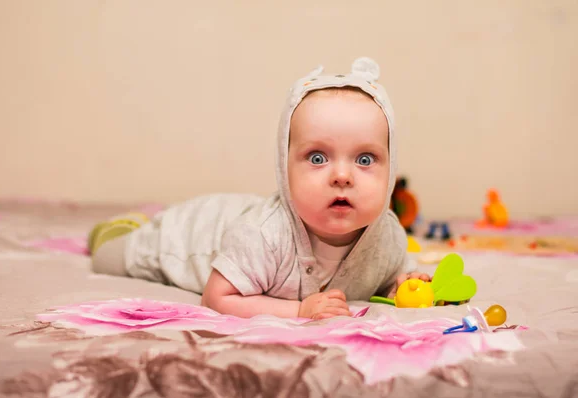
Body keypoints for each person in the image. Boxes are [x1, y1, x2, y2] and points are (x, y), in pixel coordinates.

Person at [88, 57, 431, 320]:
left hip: (235, 213)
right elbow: (218, 297)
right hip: (189, 234)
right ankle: (124, 226)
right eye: (316, 158)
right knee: (108, 257)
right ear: (285, 168)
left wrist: (402, 285)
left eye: (366, 160)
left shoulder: (388, 236)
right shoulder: (263, 236)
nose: (342, 176)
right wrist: (298, 311)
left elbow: (384, 276)